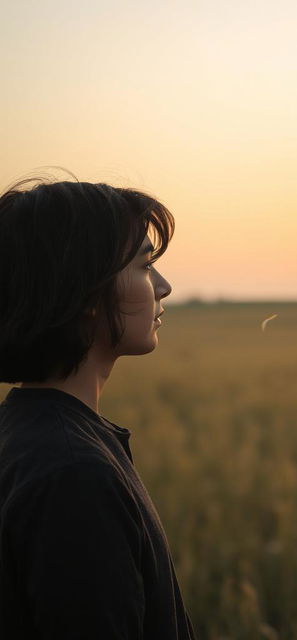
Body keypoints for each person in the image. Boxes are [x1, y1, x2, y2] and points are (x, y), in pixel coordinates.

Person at [0, 172, 197, 639]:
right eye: (146, 267)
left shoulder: (26, 435)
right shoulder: (74, 475)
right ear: (88, 293)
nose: (164, 287)